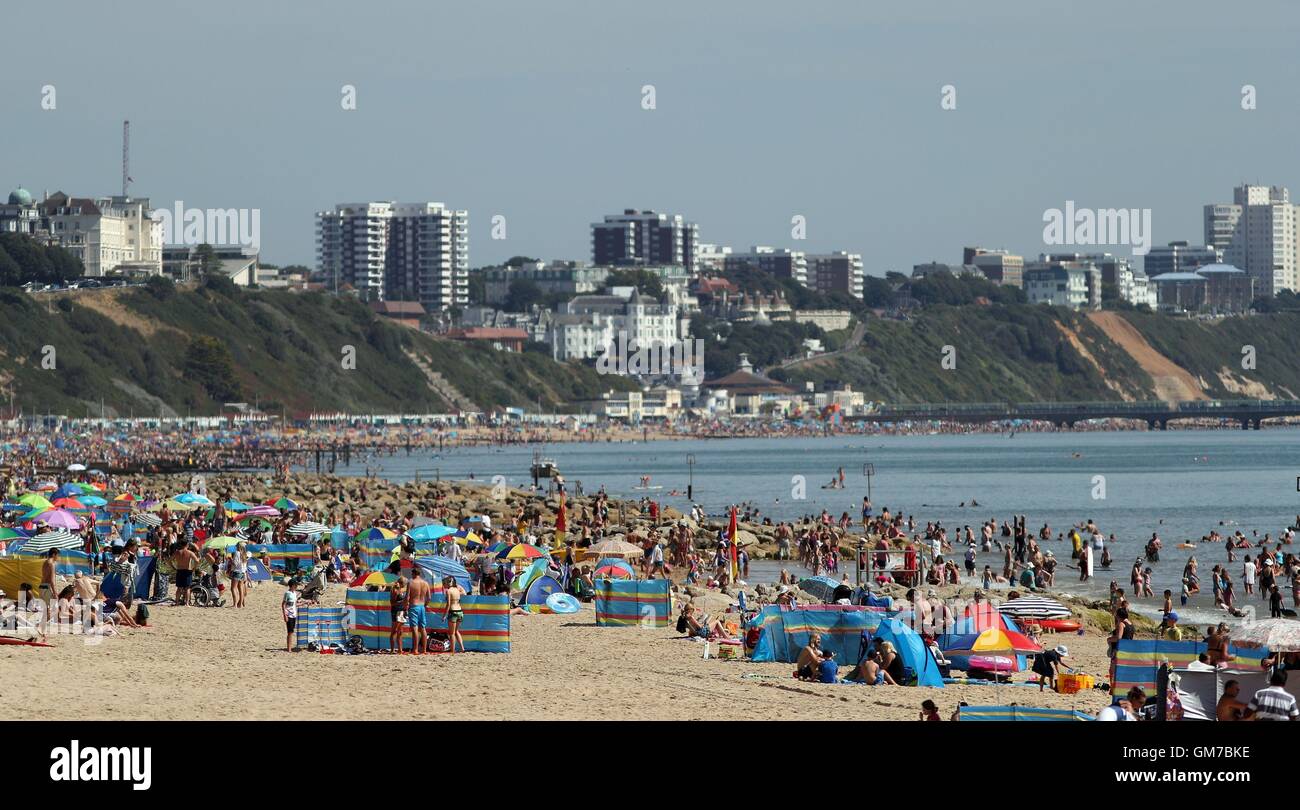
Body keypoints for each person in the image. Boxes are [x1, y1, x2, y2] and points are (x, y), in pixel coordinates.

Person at [406, 567, 431, 654]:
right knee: (423, 628)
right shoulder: (425, 583)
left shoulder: (411, 582)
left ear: (413, 574)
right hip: (422, 606)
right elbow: (429, 597)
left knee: (415, 629)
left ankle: (415, 649)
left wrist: (406, 607)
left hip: (414, 606)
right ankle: (424, 650)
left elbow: (407, 597)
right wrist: (425, 605)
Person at [443, 576, 466, 653]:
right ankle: (462, 648)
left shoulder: (448, 591)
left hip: (453, 612)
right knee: (456, 631)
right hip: (460, 611)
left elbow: (448, 604)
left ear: (448, 583)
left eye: (445, 583)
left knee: (452, 633)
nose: (444, 584)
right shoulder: (457, 589)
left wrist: (444, 615)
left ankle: (452, 650)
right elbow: (464, 594)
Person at [388, 577, 407, 653]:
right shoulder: (394, 590)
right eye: (405, 584)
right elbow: (392, 603)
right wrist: (402, 601)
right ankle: (392, 650)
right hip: (396, 611)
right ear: (402, 583)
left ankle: (400, 649)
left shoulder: (401, 590)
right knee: (394, 631)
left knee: (400, 631)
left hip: (401, 611)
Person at [282, 578, 299, 652]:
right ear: (292, 585)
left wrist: (306, 602)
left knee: (291, 631)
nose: (296, 586)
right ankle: (289, 649)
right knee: (290, 632)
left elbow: (295, 604)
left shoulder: (294, 593)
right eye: (295, 585)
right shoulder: (287, 593)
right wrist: (285, 615)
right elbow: (283, 605)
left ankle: (290, 648)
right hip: (288, 614)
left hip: (294, 614)